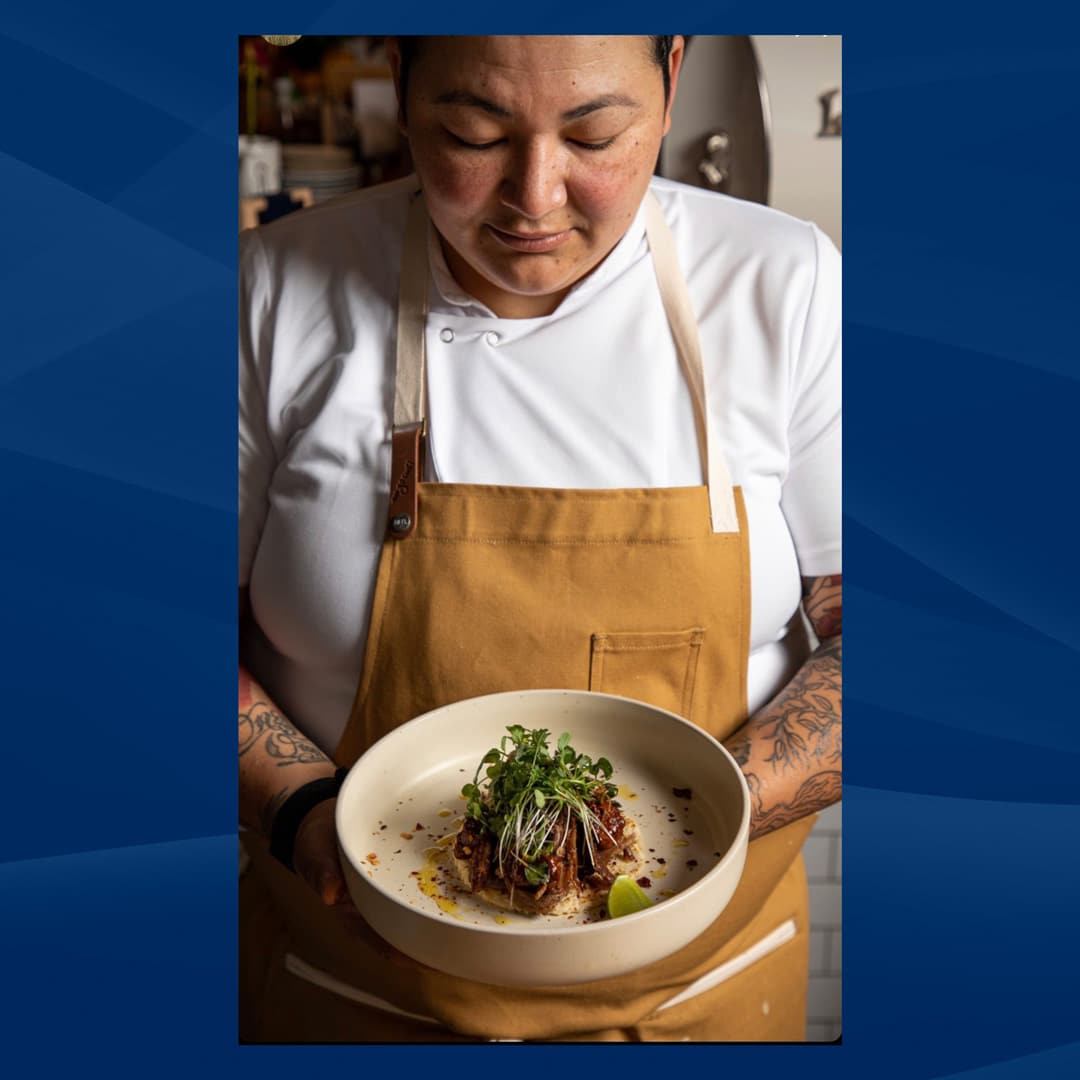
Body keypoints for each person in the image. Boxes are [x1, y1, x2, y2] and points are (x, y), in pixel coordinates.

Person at [239, 34, 841, 1042]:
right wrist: (303, 812)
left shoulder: (786, 283)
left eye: (596, 134)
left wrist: (712, 814)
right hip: (354, 993)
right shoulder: (272, 290)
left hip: (703, 996)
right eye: (472, 133)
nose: (536, 196)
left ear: (673, 78)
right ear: (401, 85)